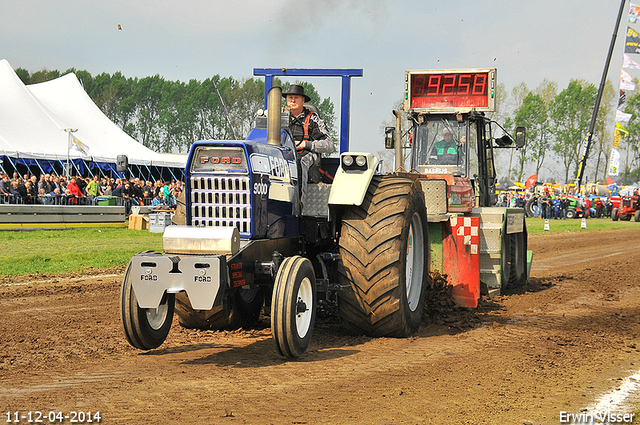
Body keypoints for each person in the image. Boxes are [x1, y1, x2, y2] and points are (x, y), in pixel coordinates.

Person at [283, 84, 334, 209]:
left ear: (303, 101)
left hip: (306, 155)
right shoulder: (277, 118)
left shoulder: (313, 119)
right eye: (290, 98)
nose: (293, 101)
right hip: (282, 153)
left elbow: (329, 144)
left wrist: (305, 144)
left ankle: (298, 205)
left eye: (296, 98)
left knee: (298, 162)